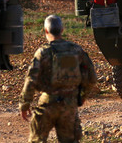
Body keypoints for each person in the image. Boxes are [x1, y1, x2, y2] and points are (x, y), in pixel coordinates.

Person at [20, 15, 98, 143]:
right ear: (62, 30)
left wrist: (25, 104)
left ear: (45, 31)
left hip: (47, 103)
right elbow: (92, 78)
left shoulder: (43, 52)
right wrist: (81, 97)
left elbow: (31, 79)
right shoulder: (77, 50)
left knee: (37, 139)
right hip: (69, 104)